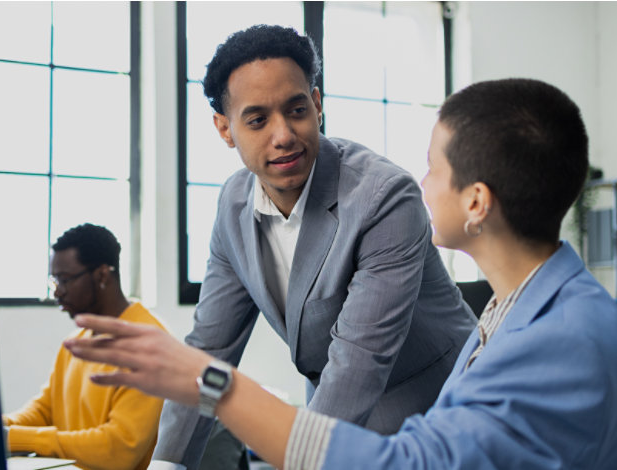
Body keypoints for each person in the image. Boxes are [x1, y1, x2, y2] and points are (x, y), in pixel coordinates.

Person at [64, 78, 617, 469]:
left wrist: (211, 383)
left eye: (433, 167)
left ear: (477, 202)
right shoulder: (517, 312)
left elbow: (411, 464)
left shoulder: (563, 341)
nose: (420, 182)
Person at [147, 24, 476, 469]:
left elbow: (359, 361)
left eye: (296, 109)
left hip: (439, 419)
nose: (283, 135)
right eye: (258, 119)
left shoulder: (383, 198)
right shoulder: (233, 205)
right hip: (329, 423)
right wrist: (168, 464)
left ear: (317, 106)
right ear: (225, 129)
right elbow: (210, 351)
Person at [3, 223, 166, 470]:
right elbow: (44, 411)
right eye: (54, 280)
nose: (58, 292)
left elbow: (119, 449)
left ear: (102, 275)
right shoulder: (77, 342)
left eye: (65, 280)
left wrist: (14, 438)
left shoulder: (149, 345)